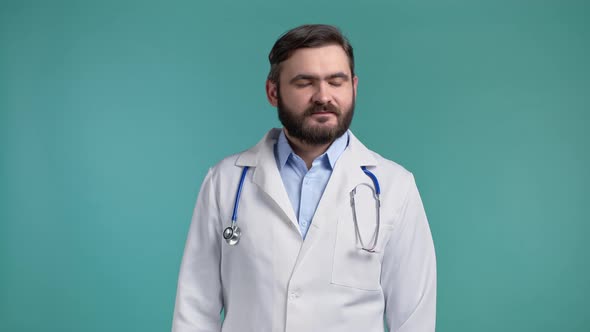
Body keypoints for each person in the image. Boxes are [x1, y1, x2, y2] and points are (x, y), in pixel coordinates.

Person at [171, 24, 436, 332]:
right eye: (304, 82)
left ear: (354, 86)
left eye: (336, 81)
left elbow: (414, 319)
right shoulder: (225, 182)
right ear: (273, 92)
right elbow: (194, 310)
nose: (323, 96)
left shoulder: (395, 187)